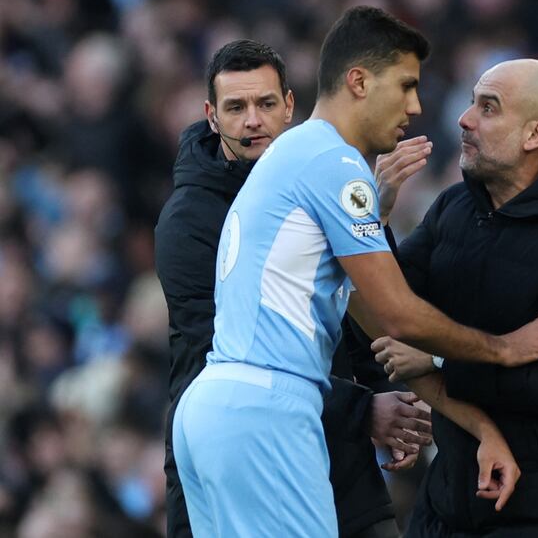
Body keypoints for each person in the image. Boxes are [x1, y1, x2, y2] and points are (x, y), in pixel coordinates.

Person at [171, 8, 538, 537]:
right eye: (406, 85)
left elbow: (382, 327)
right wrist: (507, 347)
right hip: (266, 411)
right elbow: (401, 312)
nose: (416, 105)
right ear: (359, 81)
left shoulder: (296, 158)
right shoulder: (333, 164)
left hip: (218, 408)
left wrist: (478, 425)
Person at [154, 39, 435, 538]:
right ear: (211, 116)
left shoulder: (316, 173)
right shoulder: (189, 221)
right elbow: (220, 356)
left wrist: (376, 215)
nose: (252, 121)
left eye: (265, 104)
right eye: (235, 108)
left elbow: (347, 302)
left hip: (331, 441)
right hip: (243, 447)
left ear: (289, 106)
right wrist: (364, 409)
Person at [372, 60, 538, 537]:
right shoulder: (454, 209)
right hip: (451, 502)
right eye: (472, 101)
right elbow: (387, 307)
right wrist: (374, 219)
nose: (465, 118)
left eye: (488, 107)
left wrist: (435, 358)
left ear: (534, 134)